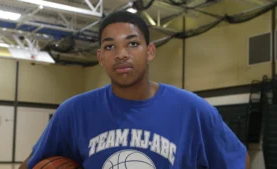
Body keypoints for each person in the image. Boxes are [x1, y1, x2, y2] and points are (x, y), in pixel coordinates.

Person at [19, 11, 250, 169]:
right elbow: (30, 164)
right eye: (110, 46)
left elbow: (239, 161)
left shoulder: (193, 110)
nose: (121, 54)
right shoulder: (73, 112)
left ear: (149, 51)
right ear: (100, 57)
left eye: (132, 43)